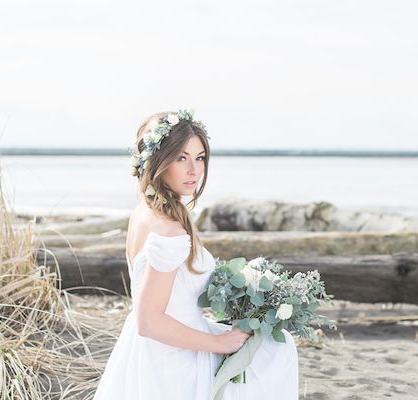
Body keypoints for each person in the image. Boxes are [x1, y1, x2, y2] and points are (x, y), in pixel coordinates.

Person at [92, 109, 299, 399]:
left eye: (199, 157)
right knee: (276, 350)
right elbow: (149, 322)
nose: (194, 170)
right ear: (158, 161)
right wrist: (221, 344)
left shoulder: (144, 212)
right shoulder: (169, 230)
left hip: (153, 350)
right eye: (181, 158)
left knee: (276, 346)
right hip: (173, 360)